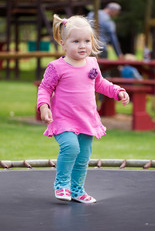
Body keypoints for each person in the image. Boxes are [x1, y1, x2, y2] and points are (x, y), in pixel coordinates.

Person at [37, 14, 129, 204]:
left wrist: (117, 91)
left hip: (86, 119)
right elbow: (45, 88)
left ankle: (77, 190)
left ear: (92, 42)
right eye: (76, 41)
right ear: (63, 43)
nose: (82, 45)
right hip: (63, 119)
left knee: (83, 157)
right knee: (71, 147)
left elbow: (100, 84)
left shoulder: (92, 64)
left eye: (87, 41)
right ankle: (62, 184)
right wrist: (44, 106)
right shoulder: (57, 67)